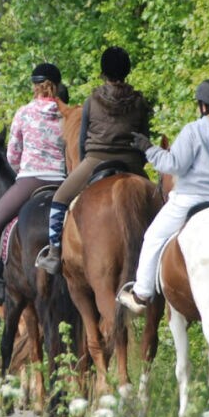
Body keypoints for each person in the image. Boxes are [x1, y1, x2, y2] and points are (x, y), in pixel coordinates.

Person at [117, 79, 209, 314]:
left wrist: (149, 148)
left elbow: (174, 164)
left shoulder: (193, 130)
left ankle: (142, 294)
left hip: (191, 199)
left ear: (203, 105)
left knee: (153, 237)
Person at [37, 46, 153, 274]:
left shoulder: (92, 100)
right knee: (162, 200)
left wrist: (85, 162)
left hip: (95, 160)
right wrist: (138, 163)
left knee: (60, 198)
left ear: (103, 72)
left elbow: (81, 141)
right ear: (127, 71)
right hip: (131, 163)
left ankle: (54, 252)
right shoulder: (139, 102)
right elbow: (145, 139)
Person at [0, 64, 67, 319]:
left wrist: (22, 169)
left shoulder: (24, 113)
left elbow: (12, 156)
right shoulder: (68, 113)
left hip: (30, 181)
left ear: (35, 86)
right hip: (64, 183)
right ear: (57, 85)